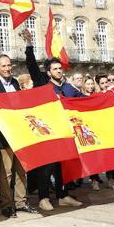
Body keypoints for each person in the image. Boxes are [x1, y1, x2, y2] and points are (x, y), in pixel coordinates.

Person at [22, 29, 83, 211]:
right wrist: (29, 45)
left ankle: (63, 195)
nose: (58, 71)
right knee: (47, 166)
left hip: (65, 131)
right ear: (48, 73)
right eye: (54, 69)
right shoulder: (42, 82)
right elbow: (32, 65)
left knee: (62, 166)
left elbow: (85, 101)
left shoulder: (68, 87)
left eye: (60, 68)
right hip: (47, 131)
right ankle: (43, 198)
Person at [0, 54, 38, 217]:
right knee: (6, 172)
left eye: (9, 65)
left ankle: (21, 202)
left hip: (18, 133)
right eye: (4, 66)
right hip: (3, 135)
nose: (8, 68)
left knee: (21, 170)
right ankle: (6, 204)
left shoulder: (15, 83)